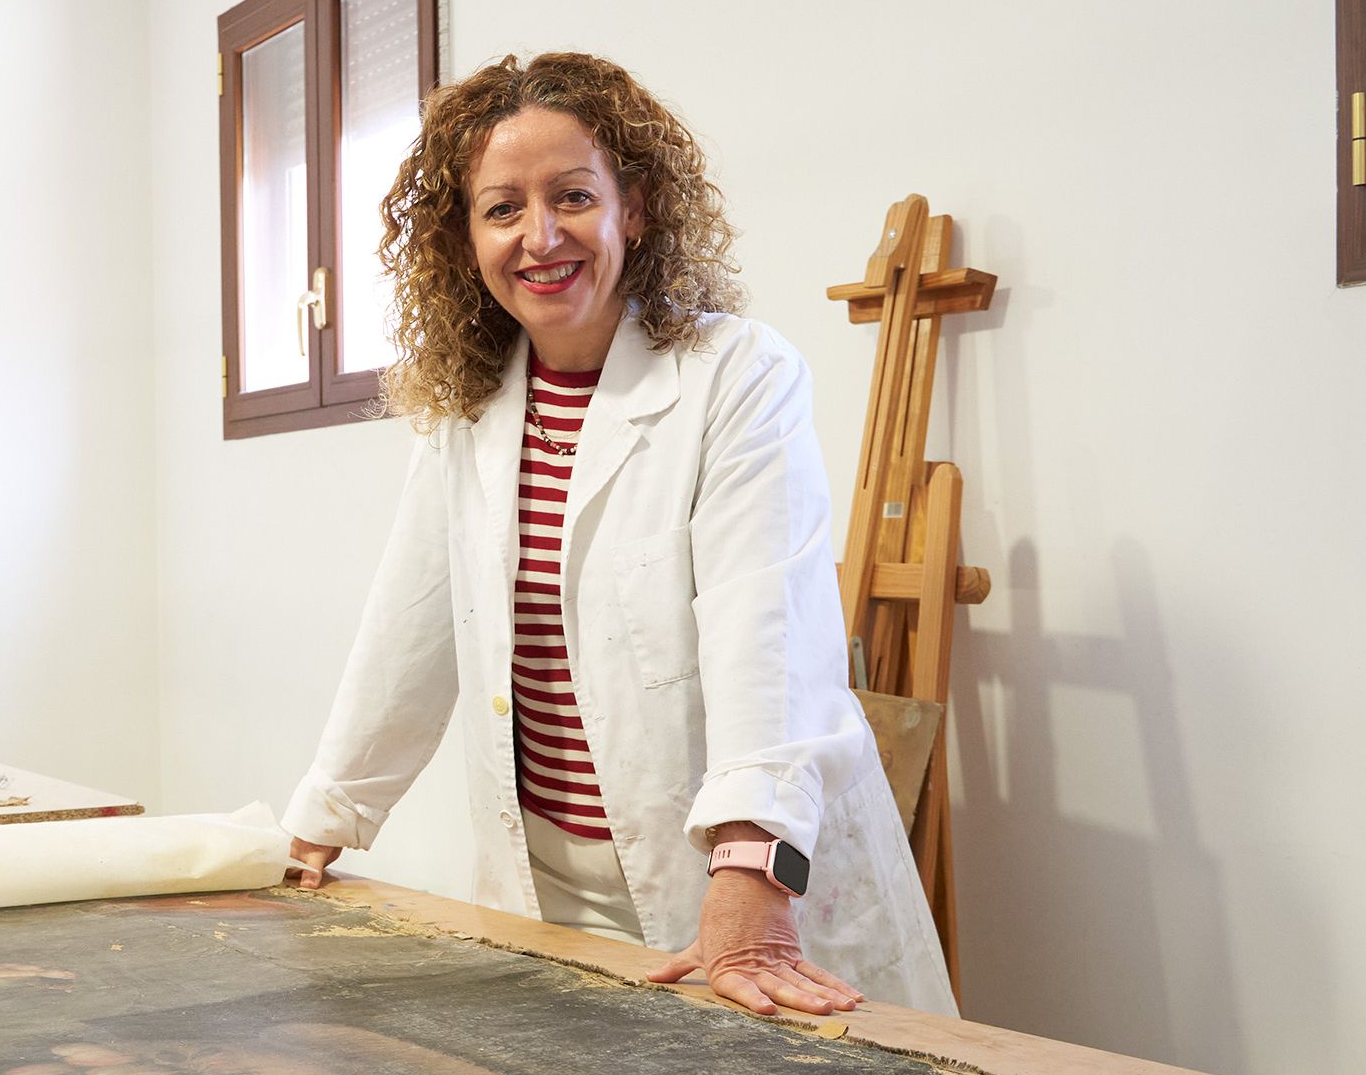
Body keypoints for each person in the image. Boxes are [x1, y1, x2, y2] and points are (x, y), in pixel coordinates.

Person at [282, 52, 955, 1018]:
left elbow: (763, 626)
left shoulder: (738, 375)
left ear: (632, 208)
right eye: (501, 208)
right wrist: (329, 814)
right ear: (462, 237)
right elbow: (413, 621)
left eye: (571, 196)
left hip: (736, 892)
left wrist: (753, 873)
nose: (539, 236)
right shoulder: (470, 411)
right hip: (546, 890)